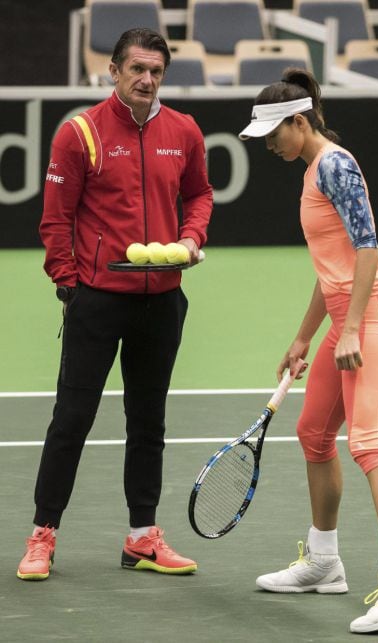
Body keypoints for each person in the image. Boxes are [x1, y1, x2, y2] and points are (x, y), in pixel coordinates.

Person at [238, 68, 378, 634]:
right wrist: (305, 336)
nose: (269, 145)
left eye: (274, 134)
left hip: (373, 319)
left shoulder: (336, 165)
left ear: (299, 122)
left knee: (368, 442)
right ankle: (324, 562)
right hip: (348, 315)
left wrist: (348, 331)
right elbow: (334, 271)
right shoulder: (310, 172)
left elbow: (368, 250)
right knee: (313, 434)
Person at [17, 28, 213, 581]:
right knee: (71, 420)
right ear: (115, 71)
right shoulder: (80, 133)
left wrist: (192, 239)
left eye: (156, 71)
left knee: (148, 422)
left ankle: (142, 537)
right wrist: (69, 282)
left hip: (164, 300)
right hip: (96, 301)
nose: (147, 80)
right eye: (137, 70)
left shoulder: (184, 131)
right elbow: (56, 217)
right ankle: (42, 536)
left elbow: (199, 193)